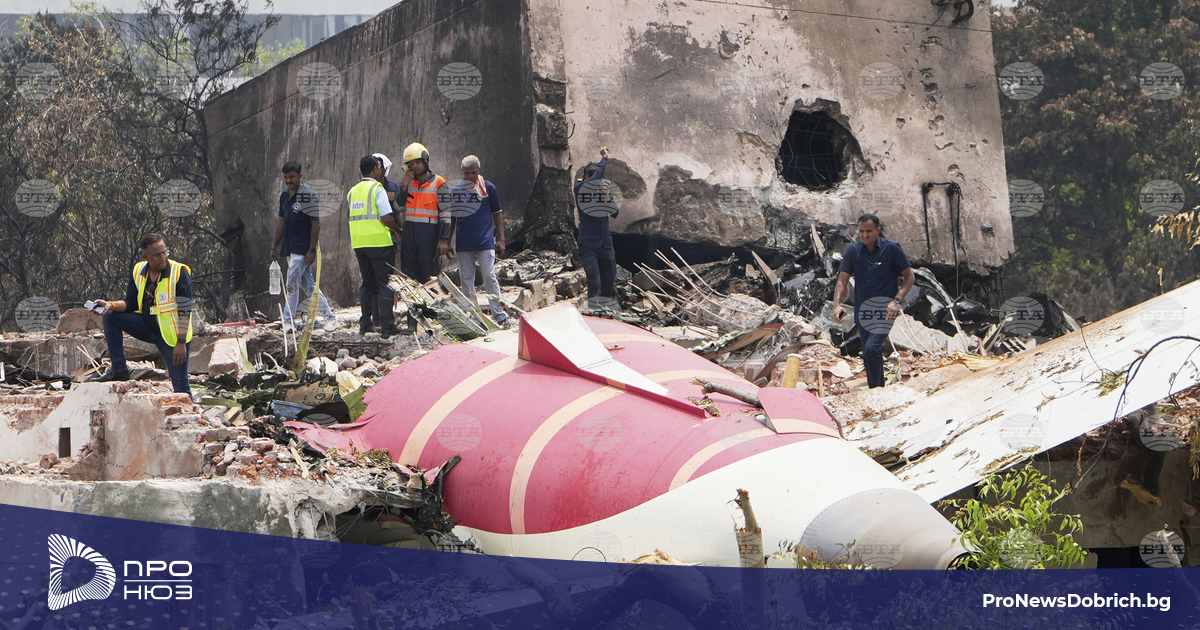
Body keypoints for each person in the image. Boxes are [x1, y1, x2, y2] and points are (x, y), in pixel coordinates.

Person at [92, 233, 194, 398]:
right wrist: (111, 304)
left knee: (181, 387)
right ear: (146, 256)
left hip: (172, 337)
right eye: (157, 255)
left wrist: (181, 342)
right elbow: (130, 303)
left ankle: (191, 411)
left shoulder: (178, 272)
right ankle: (119, 369)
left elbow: (185, 310)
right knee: (110, 317)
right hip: (146, 327)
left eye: (165, 252)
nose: (163, 257)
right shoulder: (139, 270)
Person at [831, 214, 916, 389]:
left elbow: (909, 277)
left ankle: (876, 389)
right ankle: (878, 389)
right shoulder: (853, 251)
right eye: (861, 231)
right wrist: (837, 304)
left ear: (878, 230)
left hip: (886, 310)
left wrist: (896, 301)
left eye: (869, 231)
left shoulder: (891, 249)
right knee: (870, 353)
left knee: (871, 349)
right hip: (863, 310)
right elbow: (842, 280)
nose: (865, 235)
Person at [445, 155, 511, 328]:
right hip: (464, 242)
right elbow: (452, 218)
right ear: (462, 172)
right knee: (467, 280)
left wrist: (501, 239)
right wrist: (448, 241)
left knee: (489, 276)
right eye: (467, 173)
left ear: (478, 171)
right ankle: (473, 317)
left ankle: (499, 315)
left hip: (485, 241)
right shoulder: (456, 191)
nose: (470, 176)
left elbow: (497, 214)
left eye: (473, 173)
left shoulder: (489, 188)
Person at [271, 161, 335, 330]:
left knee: (291, 283)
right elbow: (281, 222)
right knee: (308, 285)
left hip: (303, 248)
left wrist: (312, 249)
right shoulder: (284, 196)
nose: (288, 180)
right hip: (289, 247)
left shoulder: (308, 196)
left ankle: (288, 321)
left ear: (300, 176)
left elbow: (316, 224)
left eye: (291, 177)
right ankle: (329, 316)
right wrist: (274, 246)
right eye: (285, 177)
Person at [348, 154, 402, 337]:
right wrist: (398, 231)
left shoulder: (353, 191)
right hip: (379, 243)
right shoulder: (377, 189)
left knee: (367, 283)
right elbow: (387, 218)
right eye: (379, 167)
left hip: (359, 243)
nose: (381, 170)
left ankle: (365, 324)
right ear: (375, 170)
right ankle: (387, 326)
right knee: (385, 283)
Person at [574, 146, 618, 310]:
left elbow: (615, 213)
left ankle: (603, 314)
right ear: (585, 177)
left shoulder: (602, 192)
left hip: (605, 243)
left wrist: (607, 197)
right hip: (588, 245)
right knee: (595, 283)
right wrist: (604, 158)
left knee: (608, 284)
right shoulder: (580, 189)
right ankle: (592, 314)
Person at [398, 143, 448, 284]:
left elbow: (446, 213)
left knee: (429, 275)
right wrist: (404, 184)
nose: (415, 166)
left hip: (429, 235)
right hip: (409, 235)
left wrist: (444, 239)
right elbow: (398, 205)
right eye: (411, 164)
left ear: (425, 161)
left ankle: (431, 299)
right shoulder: (407, 183)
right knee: (409, 275)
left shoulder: (439, 182)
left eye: (418, 162)